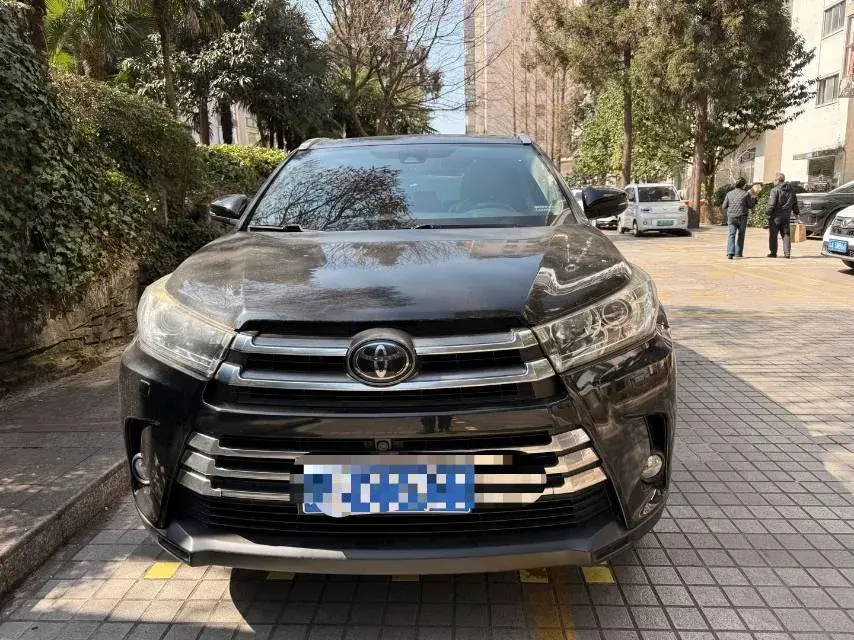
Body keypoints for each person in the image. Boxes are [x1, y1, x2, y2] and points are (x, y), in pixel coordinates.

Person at [767, 173, 799, 258]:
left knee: (773, 235)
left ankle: (773, 252)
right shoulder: (791, 190)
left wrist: (768, 213)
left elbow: (771, 204)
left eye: (774, 180)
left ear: (778, 180)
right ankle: (787, 253)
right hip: (786, 216)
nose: (774, 181)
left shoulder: (774, 190)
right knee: (786, 234)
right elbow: (795, 203)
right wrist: (796, 213)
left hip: (775, 217)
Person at [722, 177, 754, 259]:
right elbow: (750, 206)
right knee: (741, 234)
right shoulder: (746, 194)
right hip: (742, 216)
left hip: (731, 216)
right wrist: (753, 198)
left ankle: (730, 252)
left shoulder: (729, 193)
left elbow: (724, 206)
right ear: (744, 185)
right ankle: (738, 253)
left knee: (731, 234)